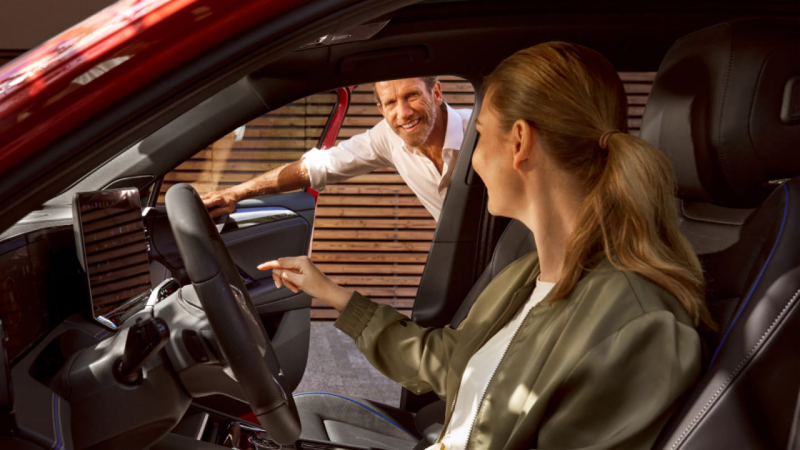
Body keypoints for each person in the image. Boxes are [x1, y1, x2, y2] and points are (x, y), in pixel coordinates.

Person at [260, 42, 714, 449]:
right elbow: (449, 360)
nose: (472, 157)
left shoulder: (637, 328)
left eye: (479, 134)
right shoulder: (523, 274)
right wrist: (333, 294)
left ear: (519, 142)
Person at [201, 77, 472, 222]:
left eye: (412, 96)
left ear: (436, 93)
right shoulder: (387, 137)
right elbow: (316, 167)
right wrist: (235, 193)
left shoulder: (481, 129)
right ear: (381, 110)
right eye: (390, 102)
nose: (403, 112)